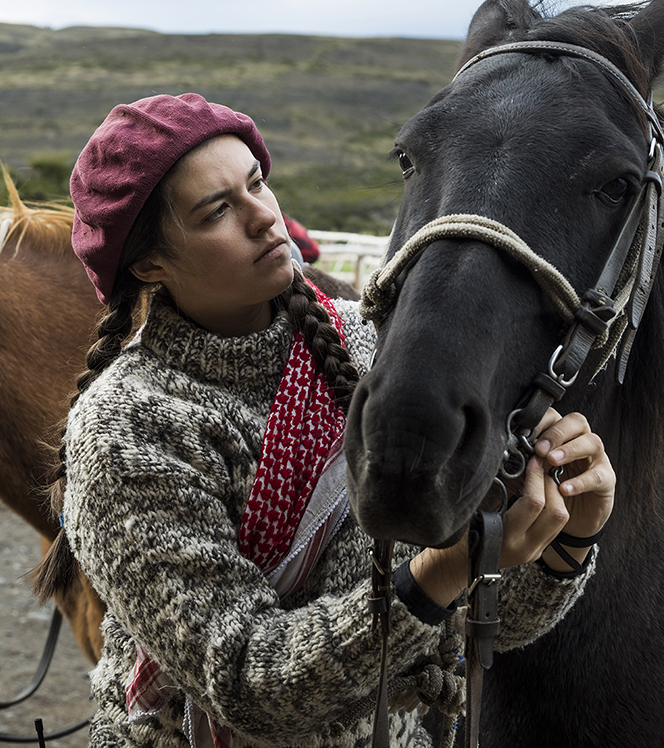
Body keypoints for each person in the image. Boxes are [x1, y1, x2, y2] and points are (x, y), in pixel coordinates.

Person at [33, 93, 616, 748]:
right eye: (217, 210)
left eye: (257, 184)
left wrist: (564, 542)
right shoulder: (128, 426)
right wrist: (446, 569)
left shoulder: (372, 356)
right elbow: (248, 685)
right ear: (149, 264)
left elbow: (463, 621)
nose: (263, 217)